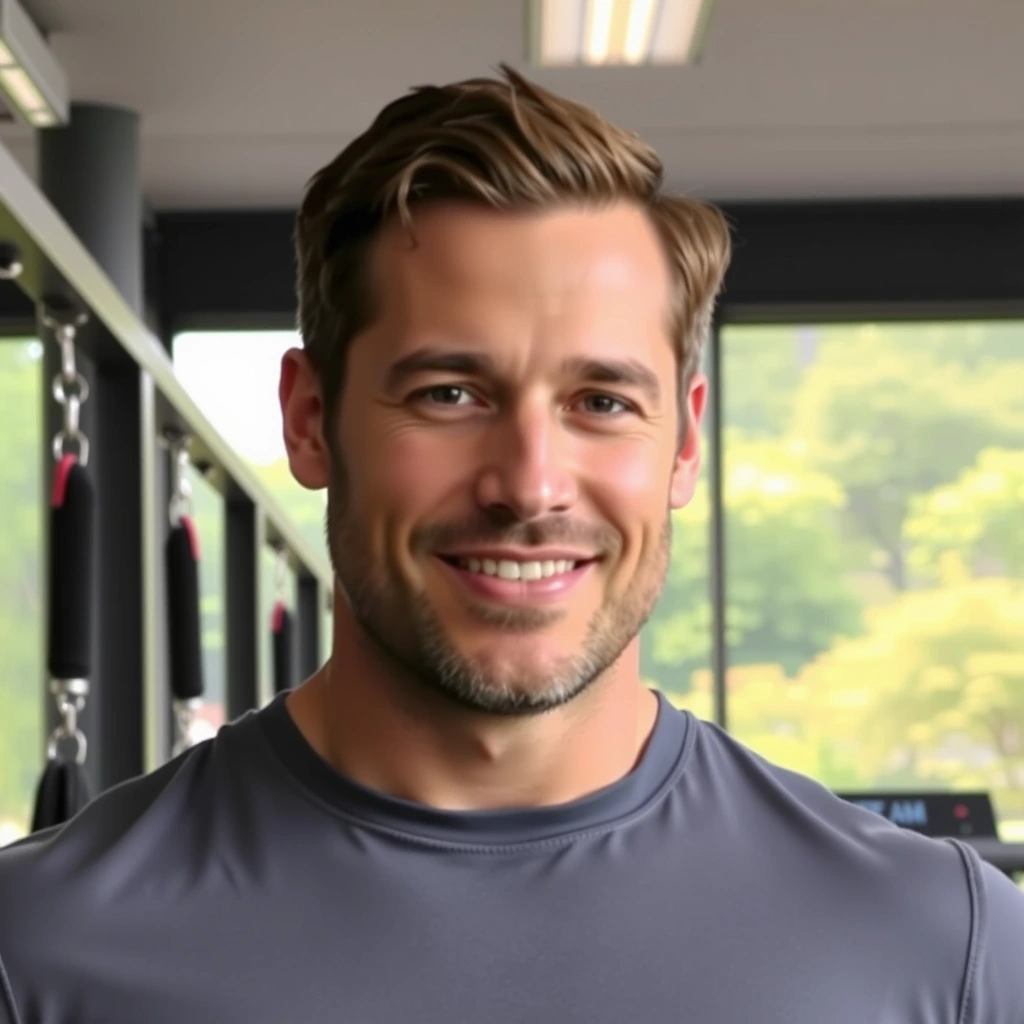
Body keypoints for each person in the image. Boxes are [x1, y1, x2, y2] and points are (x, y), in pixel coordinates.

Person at [1, 65, 1023, 1024]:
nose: (529, 485)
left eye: (601, 400)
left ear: (684, 442)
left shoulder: (943, 946)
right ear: (311, 420)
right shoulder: (41, 951)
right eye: (450, 393)